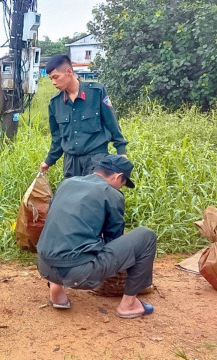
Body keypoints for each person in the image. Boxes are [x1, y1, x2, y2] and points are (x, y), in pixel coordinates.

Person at [36, 154, 157, 318]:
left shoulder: (67, 183)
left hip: (44, 266)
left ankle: (57, 293)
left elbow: (59, 222)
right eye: (123, 184)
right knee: (146, 236)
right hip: (79, 273)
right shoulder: (111, 193)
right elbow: (113, 239)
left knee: (65, 234)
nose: (120, 188)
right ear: (118, 176)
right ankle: (128, 305)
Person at [39, 55, 129, 178]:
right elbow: (57, 138)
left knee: (95, 195)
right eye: (51, 79)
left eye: (56, 77)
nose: (54, 82)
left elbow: (112, 124)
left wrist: (122, 153)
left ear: (69, 72)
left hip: (96, 160)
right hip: (71, 163)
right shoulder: (55, 103)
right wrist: (49, 161)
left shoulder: (96, 92)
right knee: (72, 196)